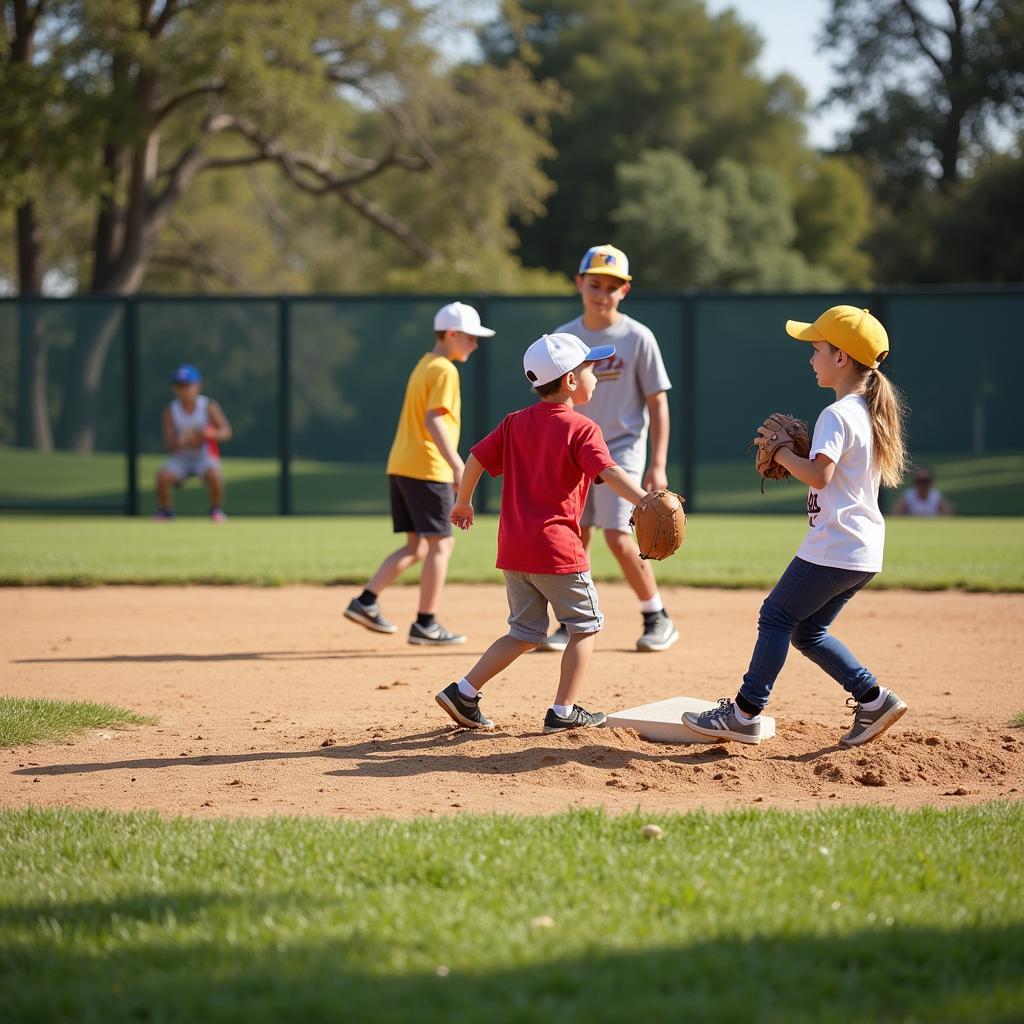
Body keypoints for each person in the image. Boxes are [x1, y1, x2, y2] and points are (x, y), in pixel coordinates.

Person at [683, 305, 910, 748]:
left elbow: (819, 475)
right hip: (861, 551)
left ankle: (745, 713)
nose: (811, 358)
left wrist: (782, 453)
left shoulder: (838, 414)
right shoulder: (866, 411)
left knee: (776, 615)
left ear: (841, 358)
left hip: (834, 545)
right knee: (808, 631)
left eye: (817, 348)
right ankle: (873, 699)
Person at [435, 332, 652, 734]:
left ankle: (464, 691)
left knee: (522, 632)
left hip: (514, 551)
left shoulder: (515, 422)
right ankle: (564, 710)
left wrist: (463, 502)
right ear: (570, 380)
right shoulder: (582, 428)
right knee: (586, 626)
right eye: (590, 368)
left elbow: (476, 457)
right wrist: (643, 500)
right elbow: (608, 472)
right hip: (558, 551)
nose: (595, 374)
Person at [537, 243, 678, 654]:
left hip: (621, 447)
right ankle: (571, 619)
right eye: (594, 283)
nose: (602, 293)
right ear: (579, 283)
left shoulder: (637, 337)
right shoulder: (565, 337)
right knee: (575, 534)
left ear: (625, 291)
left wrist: (658, 463)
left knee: (618, 534)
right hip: (574, 447)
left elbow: (657, 401)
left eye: (612, 286)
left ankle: (656, 616)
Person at [344, 301, 495, 646]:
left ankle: (365, 602)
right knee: (442, 543)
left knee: (416, 546)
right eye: (471, 338)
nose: (474, 345)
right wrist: (458, 465)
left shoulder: (424, 364)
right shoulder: (444, 370)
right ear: (452, 334)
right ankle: (426, 624)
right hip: (428, 468)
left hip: (401, 465)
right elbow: (434, 419)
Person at [154, 364, 232, 521]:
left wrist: (208, 434)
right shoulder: (171, 411)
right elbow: (168, 444)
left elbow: (226, 432)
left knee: (215, 475)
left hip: (204, 455)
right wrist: (179, 441)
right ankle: (166, 511)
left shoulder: (208, 406)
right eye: (179, 386)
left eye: (187, 386)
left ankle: (215, 510)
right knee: (162, 477)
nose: (183, 390)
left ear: (197, 386)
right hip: (182, 457)